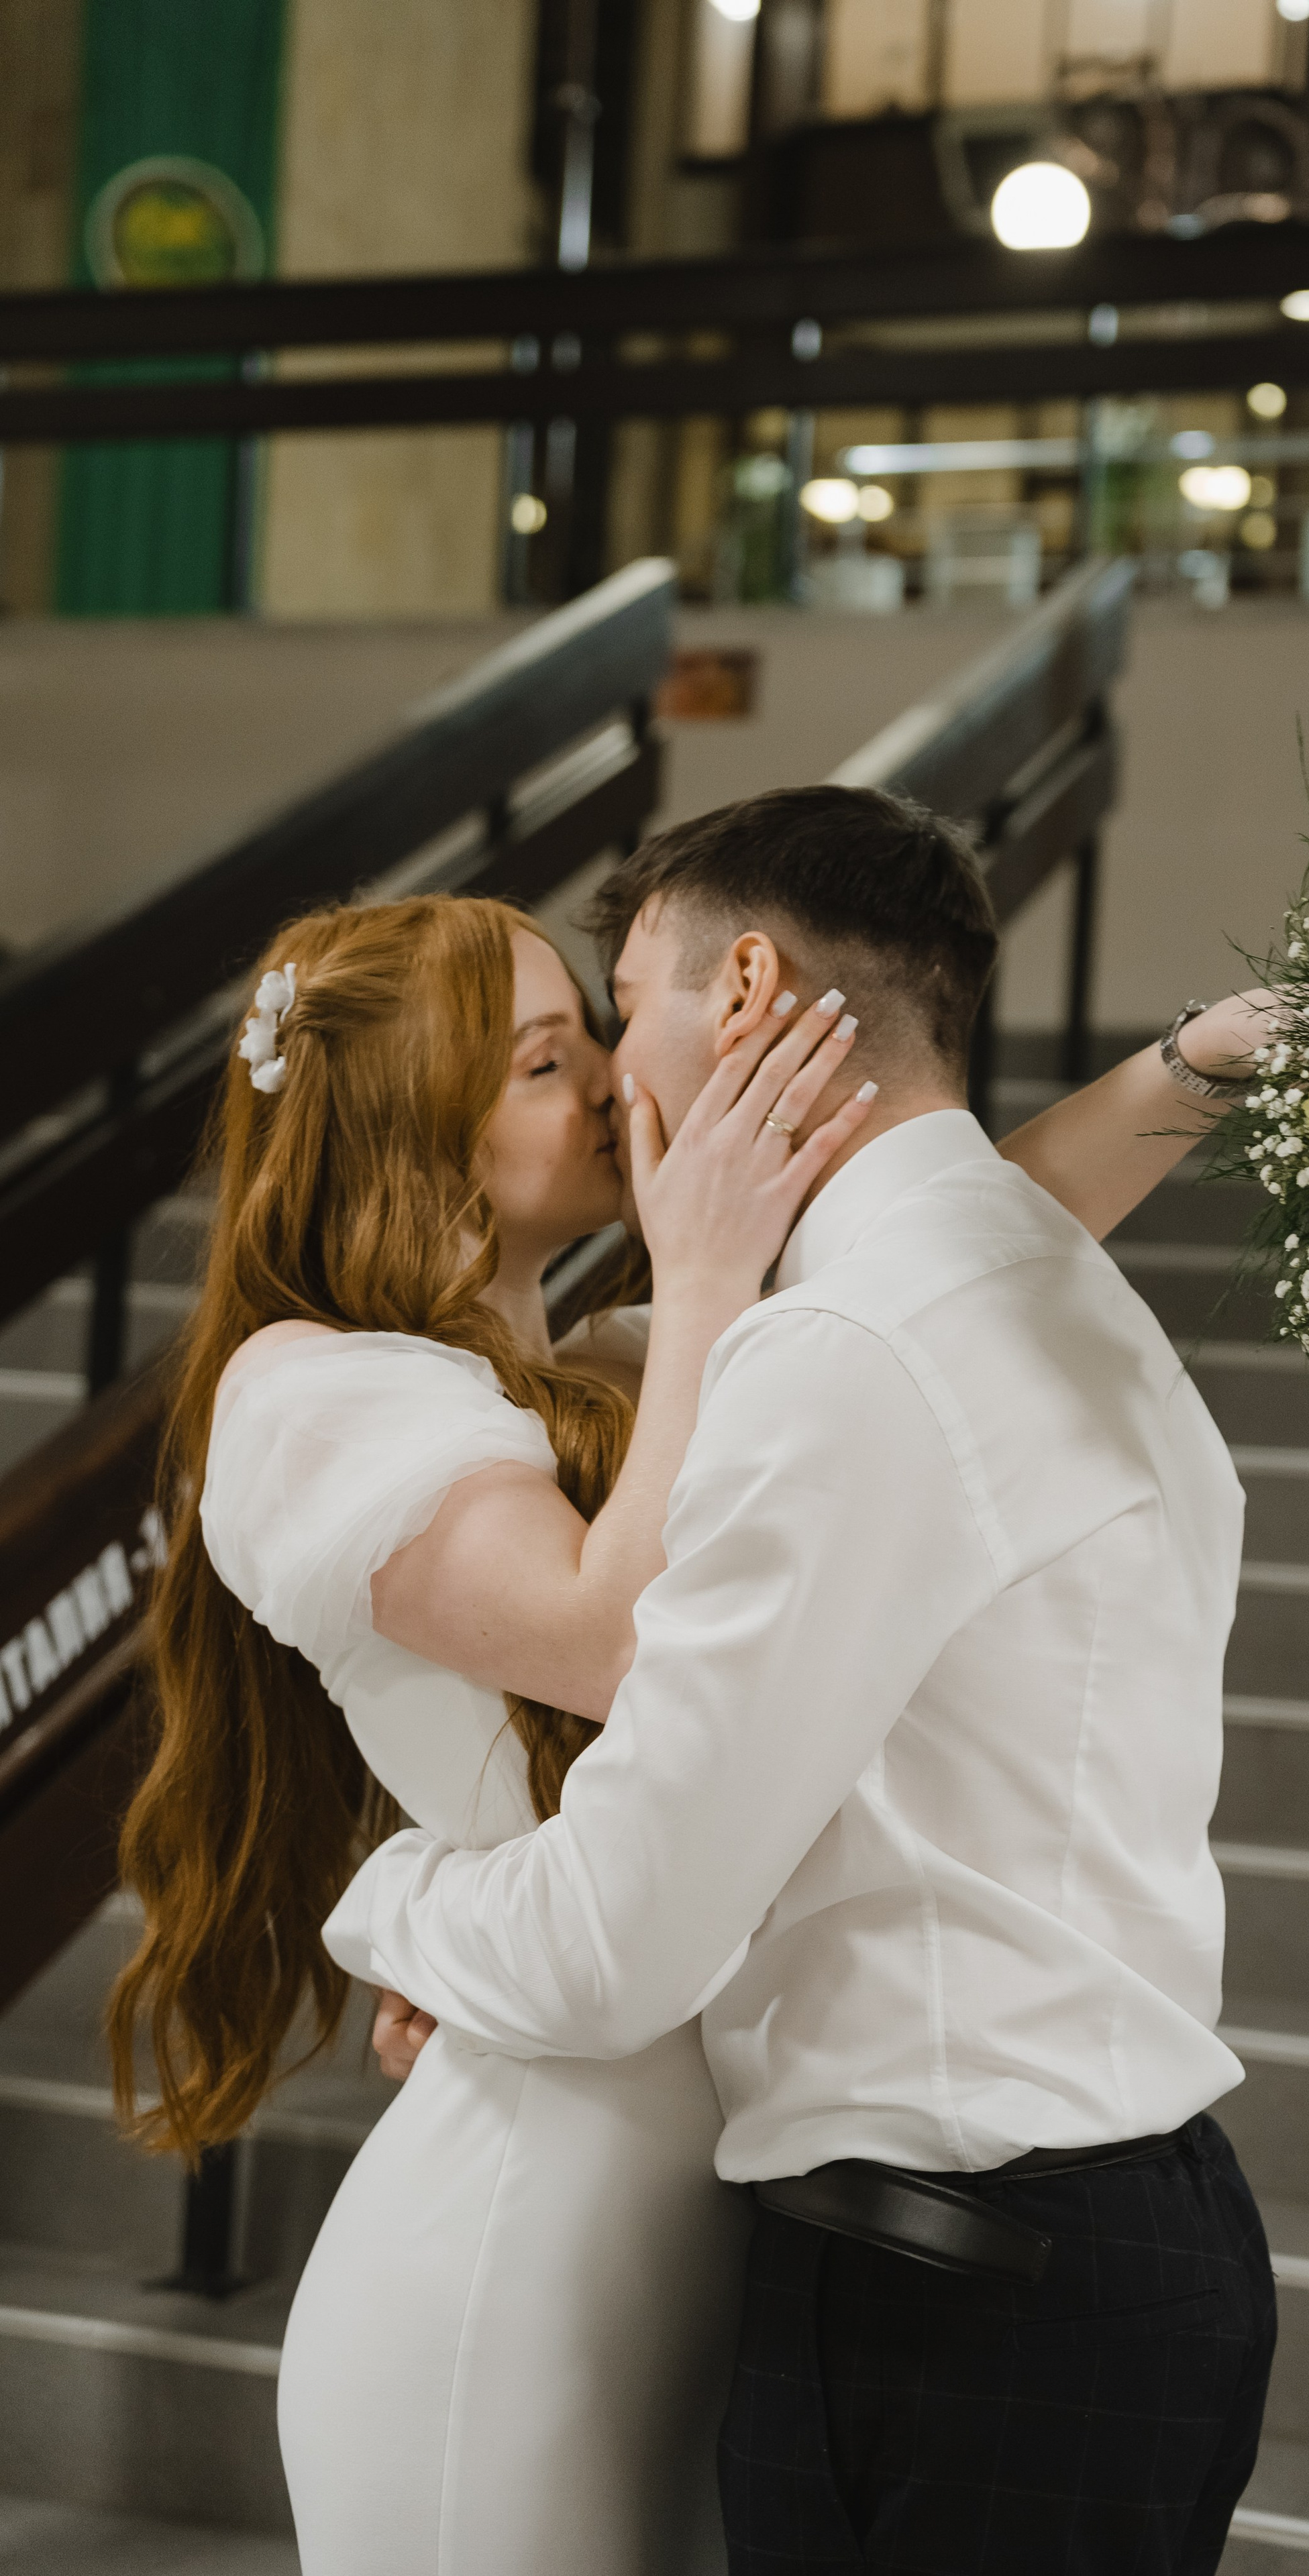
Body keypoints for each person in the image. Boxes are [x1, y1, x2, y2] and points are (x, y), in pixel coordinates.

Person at [327, 785, 1280, 2576]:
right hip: (1106, 2241)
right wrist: (1183, 1068)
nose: (617, 1072)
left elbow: (620, 1939)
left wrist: (393, 1905)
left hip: (961, 2298)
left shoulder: (845, 1347)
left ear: (749, 989)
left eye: (624, 1009)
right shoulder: (1032, 1280)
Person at [109, 890, 877, 2576]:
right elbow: (614, 1645)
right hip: (512, 2255)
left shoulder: (596, 1375)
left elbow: (952, 1262)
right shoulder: (310, 1391)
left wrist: (1200, 1068)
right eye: (545, 1061)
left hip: (679, 2206)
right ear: (413, 1127)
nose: (613, 1078)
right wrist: (704, 1271)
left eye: (593, 1034)